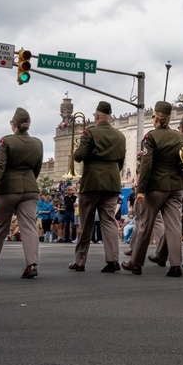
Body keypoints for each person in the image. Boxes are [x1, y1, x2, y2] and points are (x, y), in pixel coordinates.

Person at [122, 101, 183, 277]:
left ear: (156, 118)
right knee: (173, 226)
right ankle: (176, 265)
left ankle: (136, 262)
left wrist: (140, 190)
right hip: (176, 187)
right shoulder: (179, 137)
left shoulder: (151, 137)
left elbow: (146, 165)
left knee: (145, 224)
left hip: (156, 186)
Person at [0, 107, 43, 279]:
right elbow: (37, 168)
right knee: (29, 227)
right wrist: (30, 181)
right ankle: (31, 265)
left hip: (8, 189)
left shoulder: (6, 141)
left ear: (13, 125)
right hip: (30, 188)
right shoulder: (38, 143)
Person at [70, 101, 126, 273]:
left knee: (86, 223)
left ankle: (80, 261)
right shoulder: (120, 136)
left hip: (92, 182)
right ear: (110, 117)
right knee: (109, 222)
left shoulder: (90, 132)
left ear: (96, 116)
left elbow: (79, 156)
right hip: (112, 181)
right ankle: (113, 260)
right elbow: (121, 162)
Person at [150, 115, 183, 269]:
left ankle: (161, 254)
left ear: (181, 128)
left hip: (180, 184)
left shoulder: (179, 141)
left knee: (173, 223)